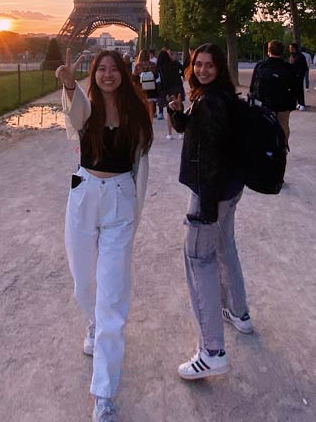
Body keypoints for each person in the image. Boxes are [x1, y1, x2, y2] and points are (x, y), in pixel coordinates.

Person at [57, 49, 153, 421]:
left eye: (115, 69)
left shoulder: (136, 110)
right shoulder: (87, 107)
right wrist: (69, 84)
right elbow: (74, 114)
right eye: (102, 69)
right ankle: (93, 323)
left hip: (120, 201)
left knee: (112, 294)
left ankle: (104, 393)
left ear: (124, 73)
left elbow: (142, 158)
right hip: (84, 193)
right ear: (93, 74)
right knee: (83, 282)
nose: (108, 75)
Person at [168, 44, 252, 381]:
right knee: (225, 247)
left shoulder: (210, 102)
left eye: (209, 65)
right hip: (229, 190)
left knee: (197, 259)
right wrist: (178, 115)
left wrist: (205, 207)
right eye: (198, 64)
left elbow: (212, 156)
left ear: (219, 68)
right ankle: (239, 313)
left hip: (211, 192)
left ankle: (212, 351)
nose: (202, 70)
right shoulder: (216, 97)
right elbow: (204, 135)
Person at [249, 40, 296, 142]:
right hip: (283, 101)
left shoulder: (261, 65)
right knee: (284, 125)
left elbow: (253, 84)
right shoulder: (288, 67)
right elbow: (294, 86)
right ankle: (282, 148)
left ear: (269, 51)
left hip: (265, 100)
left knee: (264, 126)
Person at [156, 48, 184, 138]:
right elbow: (183, 70)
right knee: (179, 109)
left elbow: (162, 82)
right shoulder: (175, 64)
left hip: (168, 91)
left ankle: (170, 133)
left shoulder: (160, 68)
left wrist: (165, 94)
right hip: (177, 89)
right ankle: (180, 132)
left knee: (169, 112)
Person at [133, 49, 158, 122]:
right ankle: (150, 121)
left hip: (141, 88)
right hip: (151, 87)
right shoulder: (152, 64)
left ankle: (144, 121)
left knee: (143, 105)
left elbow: (134, 78)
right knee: (151, 105)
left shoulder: (138, 65)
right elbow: (156, 75)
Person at [289, 42, 309, 110]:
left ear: (294, 48)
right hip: (295, 75)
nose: (289, 49)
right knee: (296, 89)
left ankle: (302, 104)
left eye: (290, 47)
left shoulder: (299, 56)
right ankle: (299, 103)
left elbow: (302, 66)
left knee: (299, 88)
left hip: (299, 74)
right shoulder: (293, 55)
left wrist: (299, 74)